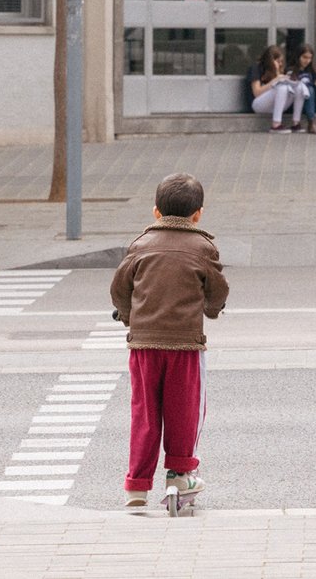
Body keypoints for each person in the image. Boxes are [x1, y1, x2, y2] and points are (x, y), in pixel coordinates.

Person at [110, 173, 229, 508]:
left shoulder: (139, 246)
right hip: (185, 346)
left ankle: (136, 485)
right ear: (198, 215)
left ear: (155, 212)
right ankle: (180, 475)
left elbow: (120, 288)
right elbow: (217, 289)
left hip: (143, 347)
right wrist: (212, 309)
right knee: (185, 409)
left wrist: (129, 317)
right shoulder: (204, 247)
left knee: (145, 413)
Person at [248, 45, 308, 133]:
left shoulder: (279, 69)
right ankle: (276, 125)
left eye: (281, 61)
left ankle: (296, 123)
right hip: (258, 105)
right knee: (282, 88)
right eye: (277, 61)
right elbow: (257, 92)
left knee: (298, 87)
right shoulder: (256, 68)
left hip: (276, 105)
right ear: (270, 60)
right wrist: (275, 80)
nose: (280, 64)